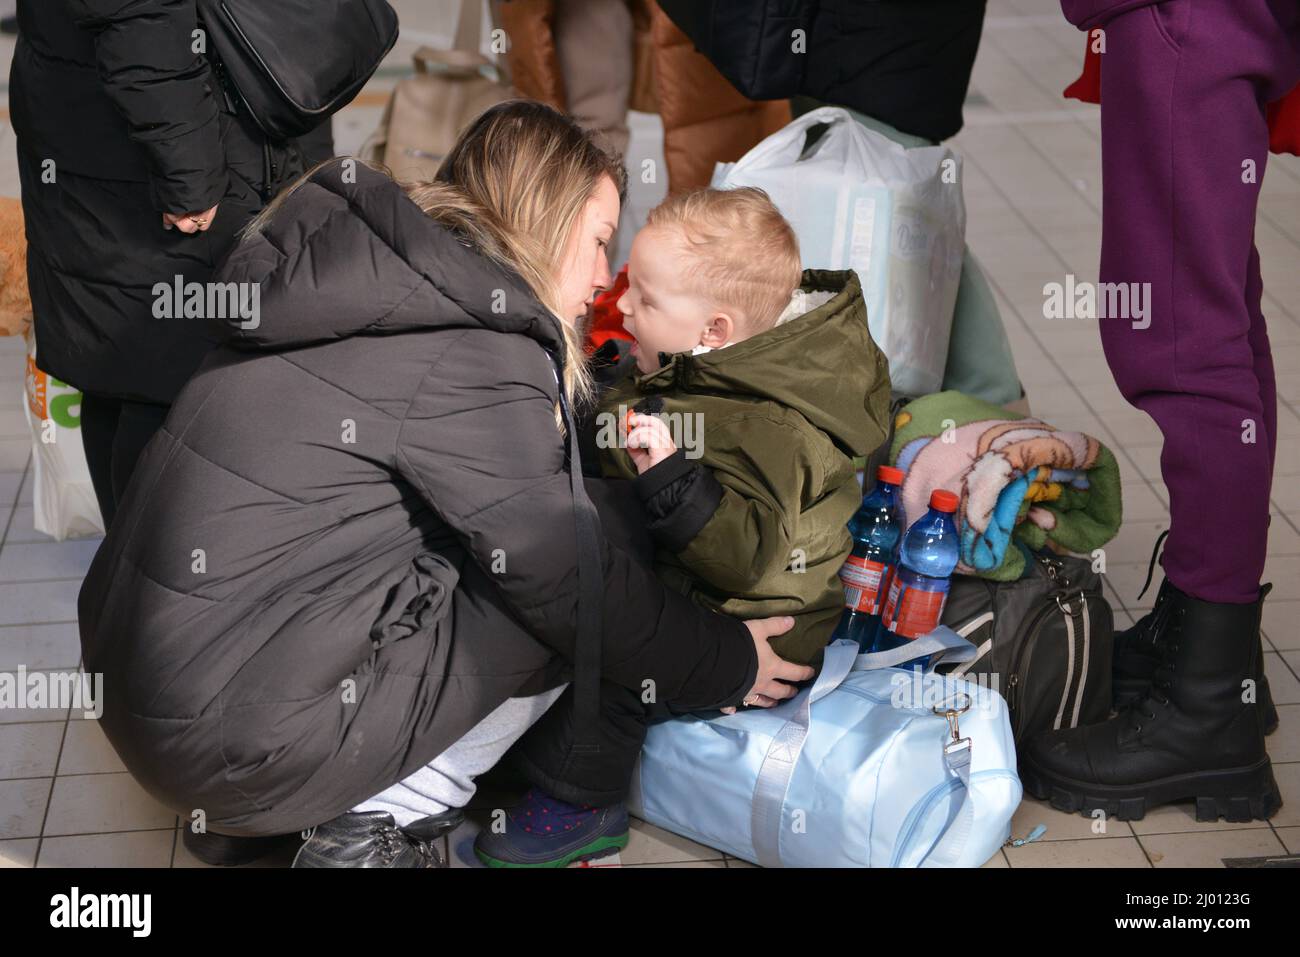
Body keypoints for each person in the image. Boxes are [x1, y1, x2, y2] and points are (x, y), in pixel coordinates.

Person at [76, 99, 811, 869]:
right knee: (593, 542)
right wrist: (729, 659)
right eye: (597, 242)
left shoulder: (368, 281)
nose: (604, 276)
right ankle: (378, 824)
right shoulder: (474, 348)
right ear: (542, 217)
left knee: (515, 540)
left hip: (149, 687)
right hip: (226, 731)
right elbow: (570, 582)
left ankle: (258, 814)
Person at [475, 186, 891, 867]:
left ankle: (583, 804)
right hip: (702, 575)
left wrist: (672, 482)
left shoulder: (772, 427)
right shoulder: (716, 371)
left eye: (645, 296)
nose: (623, 300)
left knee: (613, 650)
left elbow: (752, 558)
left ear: (713, 331)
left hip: (752, 621)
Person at [1020, 0, 1300, 823]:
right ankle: (1216, 651)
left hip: (1191, 16)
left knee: (1181, 338)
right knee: (1217, 312)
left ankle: (1205, 710)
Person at [9, 0, 332, 527]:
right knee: (171, 375)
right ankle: (157, 581)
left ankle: (132, 577)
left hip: (94, 128)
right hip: (156, 155)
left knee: (121, 364)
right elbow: (143, 19)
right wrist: (190, 175)